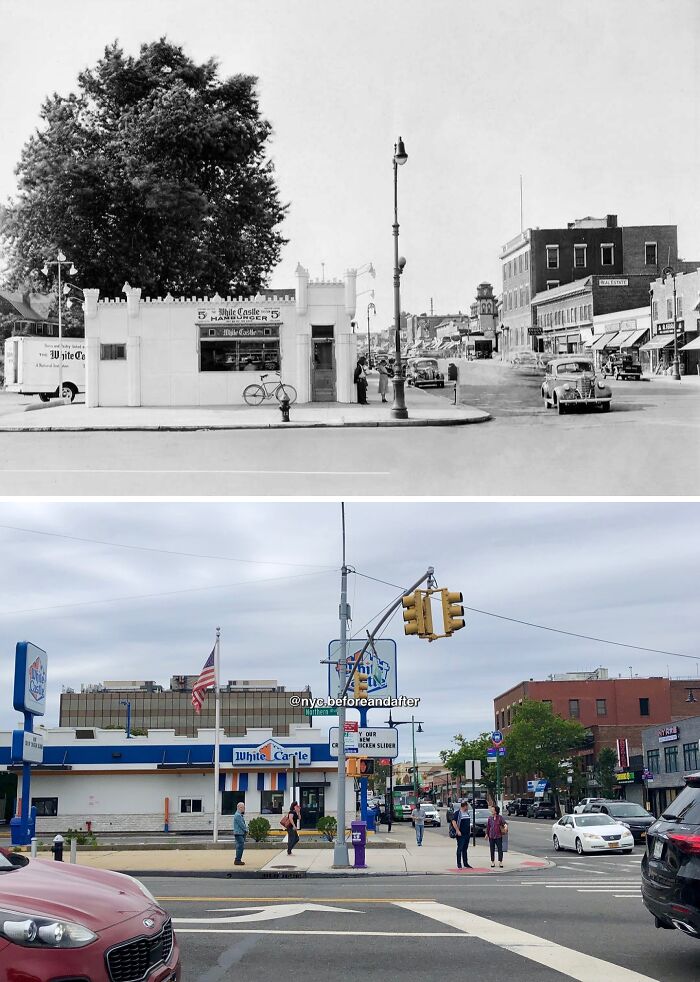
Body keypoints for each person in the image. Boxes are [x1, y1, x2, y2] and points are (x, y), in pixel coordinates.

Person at [451, 799, 472, 869]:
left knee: (465, 849)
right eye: (467, 806)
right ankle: (459, 864)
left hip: (467, 834)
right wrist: (457, 830)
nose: (468, 807)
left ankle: (465, 863)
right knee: (460, 848)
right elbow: (454, 822)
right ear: (464, 806)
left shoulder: (467, 813)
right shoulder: (458, 813)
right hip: (461, 834)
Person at [233, 801, 247, 866]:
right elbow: (242, 825)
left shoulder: (239, 815)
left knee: (240, 846)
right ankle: (237, 860)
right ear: (239, 807)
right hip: (239, 833)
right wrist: (246, 830)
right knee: (240, 846)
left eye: (244, 807)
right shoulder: (238, 815)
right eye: (243, 807)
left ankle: (238, 859)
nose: (244, 808)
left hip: (239, 833)